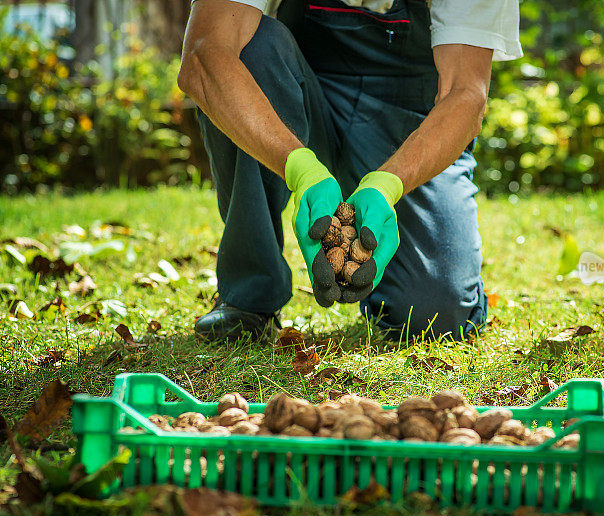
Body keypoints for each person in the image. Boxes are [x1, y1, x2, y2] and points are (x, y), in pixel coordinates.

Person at [177, 0, 521, 342]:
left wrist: (388, 183)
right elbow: (205, 54)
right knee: (252, 50)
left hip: (408, 122)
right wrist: (300, 168)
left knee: (435, 314)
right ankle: (249, 294)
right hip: (303, 100)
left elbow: (465, 94)